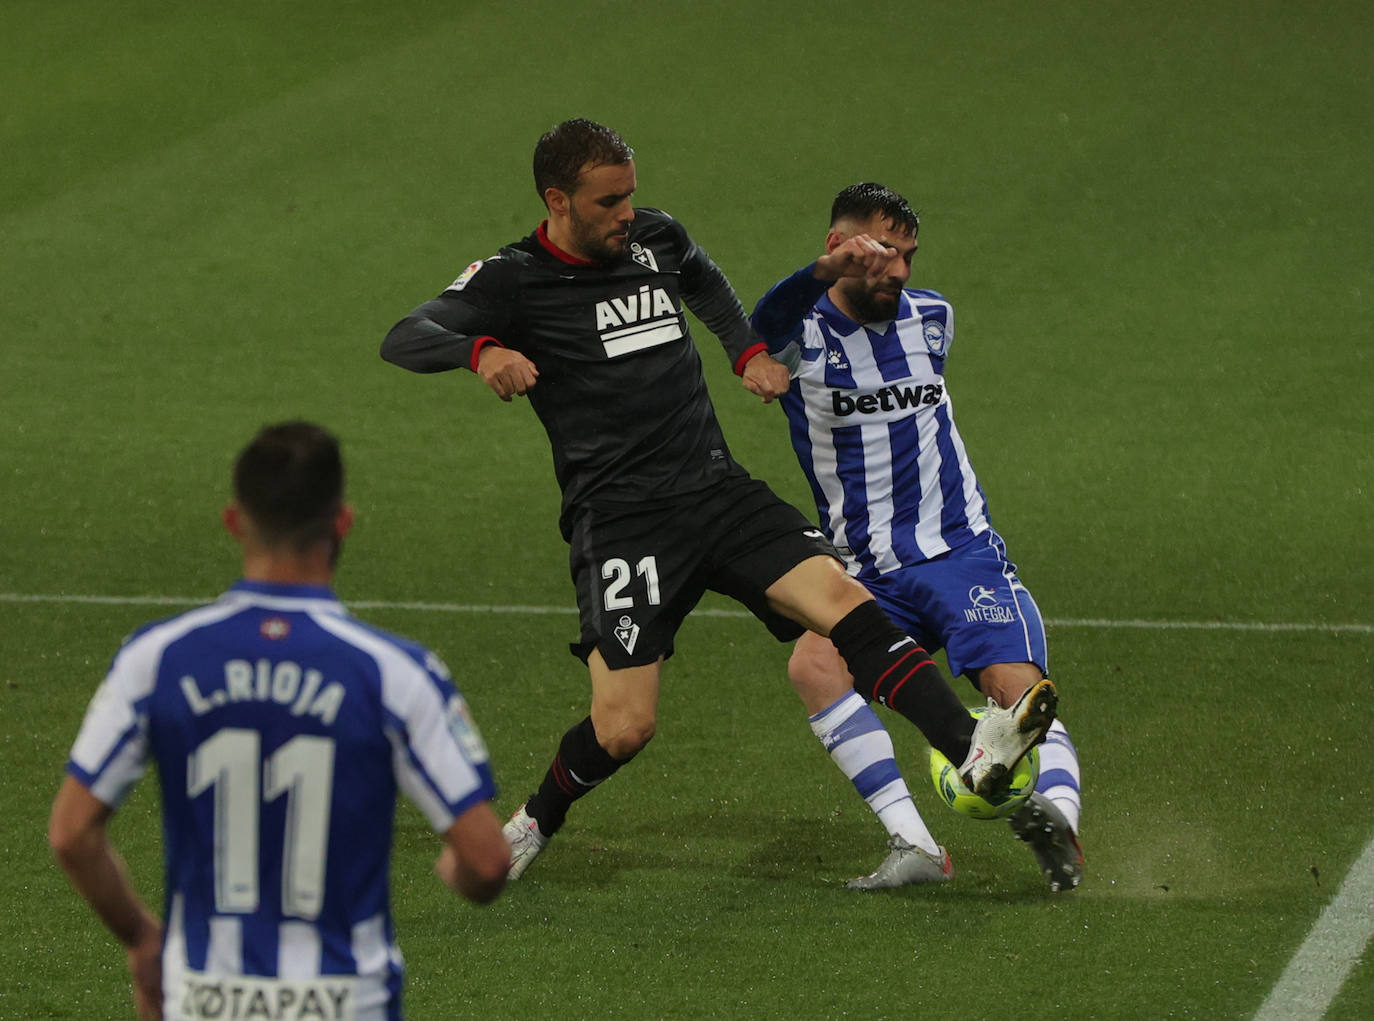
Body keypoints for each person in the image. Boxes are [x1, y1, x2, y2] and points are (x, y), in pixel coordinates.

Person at [380, 118, 1056, 887]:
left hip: (715, 488)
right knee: (625, 725)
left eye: (630, 194)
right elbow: (406, 334)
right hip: (625, 522)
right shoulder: (515, 279)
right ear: (557, 200)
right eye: (608, 202)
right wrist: (482, 349)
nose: (627, 213)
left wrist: (745, 350)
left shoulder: (653, 238)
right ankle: (536, 819)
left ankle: (972, 743)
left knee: (843, 599)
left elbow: (699, 275)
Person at [48, 421, 509, 1021]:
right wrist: (460, 874)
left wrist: (142, 937)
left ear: (234, 522)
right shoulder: (395, 674)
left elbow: (71, 833)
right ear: (342, 523)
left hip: (204, 999)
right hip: (348, 1003)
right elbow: (487, 861)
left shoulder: (155, 660)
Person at [749, 183, 1085, 892]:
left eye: (907, 255)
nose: (899, 271)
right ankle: (915, 844)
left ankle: (1058, 821)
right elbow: (763, 319)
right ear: (841, 249)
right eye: (882, 254)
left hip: (959, 551)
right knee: (815, 666)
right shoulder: (802, 335)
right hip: (865, 568)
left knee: (1018, 696)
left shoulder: (932, 319)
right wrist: (822, 273)